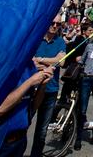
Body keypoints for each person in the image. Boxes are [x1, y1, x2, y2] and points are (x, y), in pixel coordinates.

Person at [0, 65, 54, 156]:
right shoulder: (4, 68)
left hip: (20, 140)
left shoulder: (30, 68)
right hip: (1, 141)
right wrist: (30, 82)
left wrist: (43, 85)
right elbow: (0, 109)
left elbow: (33, 106)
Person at [30, 14, 67, 157]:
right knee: (23, 124)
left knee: (42, 130)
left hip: (51, 90)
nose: (55, 26)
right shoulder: (36, 39)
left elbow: (61, 62)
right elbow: (31, 61)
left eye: (58, 24)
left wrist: (40, 59)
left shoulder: (60, 42)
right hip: (33, 88)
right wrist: (51, 61)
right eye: (53, 23)